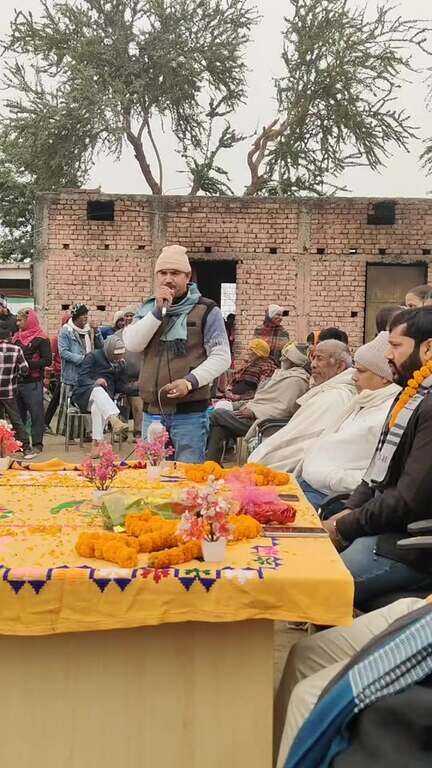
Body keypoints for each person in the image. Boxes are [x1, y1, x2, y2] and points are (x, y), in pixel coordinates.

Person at [324, 307, 432, 607]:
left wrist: (345, 526)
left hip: (412, 546)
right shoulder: (410, 395)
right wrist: (349, 509)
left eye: (396, 345)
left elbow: (407, 500)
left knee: (317, 584)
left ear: (428, 348)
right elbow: (377, 470)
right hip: (387, 529)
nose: (387, 355)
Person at [275, 596, 430, 767]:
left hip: (424, 631)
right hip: (421, 609)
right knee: (304, 656)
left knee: (308, 696)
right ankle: (272, 758)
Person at [123, 244, 231, 463]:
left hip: (189, 414)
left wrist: (190, 382)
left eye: (175, 273)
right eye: (163, 273)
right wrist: (158, 312)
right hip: (152, 412)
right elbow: (133, 343)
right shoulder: (148, 309)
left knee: (187, 474)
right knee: (152, 474)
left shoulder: (206, 310)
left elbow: (221, 356)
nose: (168, 279)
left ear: (187, 276)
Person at [298, 332, 400, 509]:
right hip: (311, 483)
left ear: (385, 376)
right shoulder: (365, 401)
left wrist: (329, 477)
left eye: (360, 371)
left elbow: (373, 478)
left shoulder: (388, 415)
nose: (353, 377)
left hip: (331, 497)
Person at [248, 341, 355, 471]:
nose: (313, 364)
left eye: (319, 359)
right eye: (313, 358)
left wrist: (264, 459)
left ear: (339, 367)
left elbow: (303, 446)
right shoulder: (326, 391)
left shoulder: (335, 397)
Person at [206, 342, 310, 462]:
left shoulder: (297, 380)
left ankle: (210, 458)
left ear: (292, 360)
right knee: (220, 425)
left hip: (265, 422)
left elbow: (284, 409)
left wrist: (254, 412)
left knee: (217, 414)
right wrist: (246, 406)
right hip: (251, 408)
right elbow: (264, 398)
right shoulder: (282, 374)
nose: (282, 359)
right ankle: (211, 464)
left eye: (285, 357)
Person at [72, 335, 130, 448]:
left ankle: (97, 443)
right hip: (85, 396)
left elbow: (121, 387)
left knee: (97, 407)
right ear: (109, 351)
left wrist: (122, 370)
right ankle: (113, 418)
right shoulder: (93, 356)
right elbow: (81, 378)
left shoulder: (120, 364)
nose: (118, 358)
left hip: (104, 401)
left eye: (120, 356)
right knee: (98, 389)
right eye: (116, 356)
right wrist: (95, 381)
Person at [57, 303, 102, 440]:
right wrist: (83, 359)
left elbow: (101, 347)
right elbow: (63, 352)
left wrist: (97, 331)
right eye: (83, 315)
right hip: (71, 375)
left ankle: (86, 433)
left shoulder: (89, 330)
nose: (86, 318)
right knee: (69, 405)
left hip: (87, 375)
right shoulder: (66, 331)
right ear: (76, 317)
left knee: (85, 404)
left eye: (86, 315)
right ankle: (69, 435)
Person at [12, 309, 52, 454]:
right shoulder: (16, 338)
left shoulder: (41, 338)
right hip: (17, 381)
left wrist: (27, 364)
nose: (18, 323)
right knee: (18, 415)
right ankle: (20, 444)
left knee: (36, 414)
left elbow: (47, 360)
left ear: (29, 321)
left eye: (20, 320)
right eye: (17, 320)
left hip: (33, 382)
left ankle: (37, 444)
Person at [0, 328, 35, 458]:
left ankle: (2, 452)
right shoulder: (16, 349)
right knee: (16, 420)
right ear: (9, 337)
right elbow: (25, 370)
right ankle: (26, 449)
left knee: (1, 421)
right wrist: (15, 375)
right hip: (8, 392)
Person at [44, 312, 69, 432]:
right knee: (57, 399)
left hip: (69, 372)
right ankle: (46, 423)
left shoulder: (72, 337)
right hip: (60, 373)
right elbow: (52, 358)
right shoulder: (56, 339)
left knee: (58, 399)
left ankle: (47, 423)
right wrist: (48, 376)